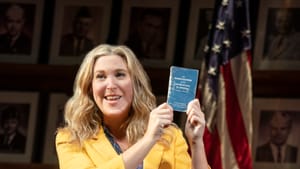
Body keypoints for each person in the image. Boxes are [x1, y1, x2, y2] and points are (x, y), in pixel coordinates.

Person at [55, 44, 210, 169]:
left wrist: (196, 143)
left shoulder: (170, 135)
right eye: (101, 76)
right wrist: (148, 139)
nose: (111, 85)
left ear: (135, 84)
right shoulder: (70, 139)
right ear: (90, 87)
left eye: (120, 74)